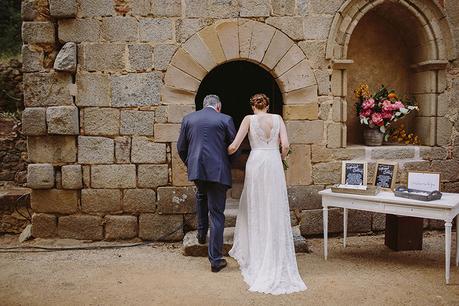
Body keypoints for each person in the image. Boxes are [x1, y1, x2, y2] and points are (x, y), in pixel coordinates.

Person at [227, 93, 307, 294]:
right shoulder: (278, 119)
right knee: (274, 204)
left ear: (253, 106)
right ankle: (274, 249)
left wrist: (223, 150)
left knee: (256, 204)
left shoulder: (248, 119)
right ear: (268, 106)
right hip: (272, 162)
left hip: (256, 161)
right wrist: (280, 157)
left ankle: (258, 251)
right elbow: (286, 145)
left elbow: (235, 145)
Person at [177, 94, 238, 273]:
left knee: (201, 196)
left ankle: (201, 235)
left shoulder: (188, 119)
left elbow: (181, 147)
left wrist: (191, 164)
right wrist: (227, 165)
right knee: (217, 214)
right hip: (218, 171)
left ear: (204, 105)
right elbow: (234, 146)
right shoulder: (225, 119)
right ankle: (216, 260)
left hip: (197, 169)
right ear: (218, 106)